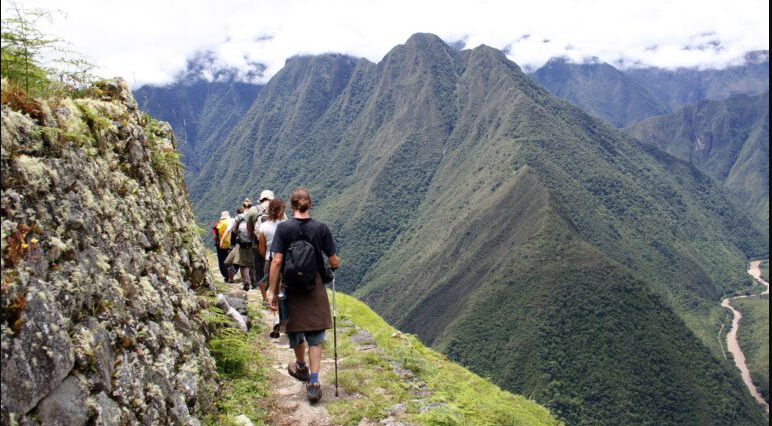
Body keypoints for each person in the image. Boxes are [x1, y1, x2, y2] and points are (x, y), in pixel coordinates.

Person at [269, 188, 340, 403]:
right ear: (310, 205)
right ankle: (314, 382)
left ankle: (301, 367)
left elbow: (277, 261)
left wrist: (272, 291)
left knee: (296, 330)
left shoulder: (283, 228)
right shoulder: (321, 229)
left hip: (290, 287)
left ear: (291, 206)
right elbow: (334, 260)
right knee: (315, 337)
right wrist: (334, 265)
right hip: (314, 286)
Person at [258, 198, 286, 332]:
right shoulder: (287, 225)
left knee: (273, 290)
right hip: (286, 260)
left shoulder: (263, 227)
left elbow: (261, 249)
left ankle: (276, 317)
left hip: (270, 259)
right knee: (284, 288)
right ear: (282, 210)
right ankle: (286, 316)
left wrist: (268, 258)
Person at [222, 206, 254, 291]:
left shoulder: (236, 219)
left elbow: (232, 230)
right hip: (251, 245)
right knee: (250, 264)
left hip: (238, 245)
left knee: (237, 264)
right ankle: (252, 281)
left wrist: (222, 240)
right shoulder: (253, 217)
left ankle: (239, 281)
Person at [246, 190, 273, 289]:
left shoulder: (253, 210)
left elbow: (249, 229)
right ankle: (275, 296)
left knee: (260, 271)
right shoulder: (277, 209)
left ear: (262, 199)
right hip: (275, 247)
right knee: (276, 270)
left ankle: (265, 299)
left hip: (257, 245)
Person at [211, 211, 232, 282]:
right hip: (229, 243)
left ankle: (226, 276)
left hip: (219, 244)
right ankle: (231, 275)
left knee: (221, 260)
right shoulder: (229, 222)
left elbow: (214, 233)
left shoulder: (218, 224)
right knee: (229, 259)